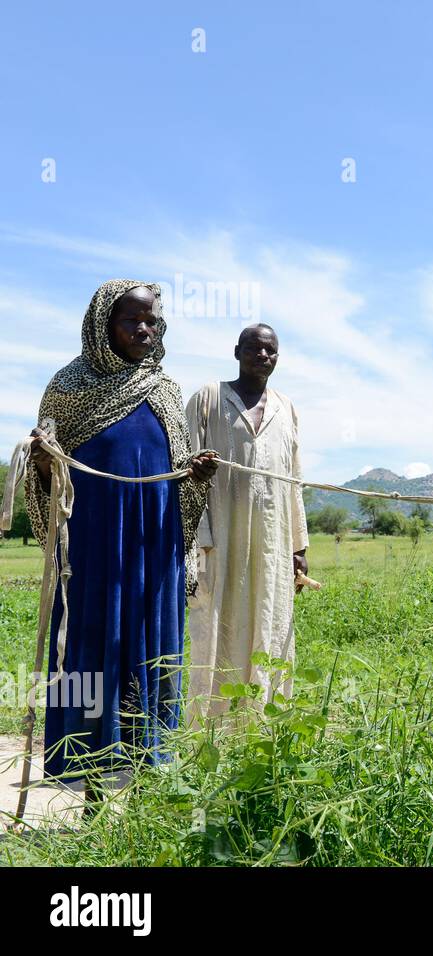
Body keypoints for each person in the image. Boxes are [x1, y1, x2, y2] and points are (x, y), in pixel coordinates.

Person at [25, 280, 216, 798]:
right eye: (131, 320)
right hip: (92, 552)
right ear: (102, 324)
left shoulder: (165, 390)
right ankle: (92, 785)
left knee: (151, 651)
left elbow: (178, 478)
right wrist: (44, 465)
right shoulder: (69, 385)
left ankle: (149, 775)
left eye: (151, 320)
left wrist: (194, 476)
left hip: (154, 554)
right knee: (94, 651)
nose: (143, 330)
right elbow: (44, 484)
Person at [186, 324, 309, 720]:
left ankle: (263, 722)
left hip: (273, 544)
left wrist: (298, 548)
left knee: (269, 620)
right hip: (217, 539)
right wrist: (199, 539)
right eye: (255, 349)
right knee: (215, 623)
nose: (263, 357)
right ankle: (208, 729)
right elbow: (183, 467)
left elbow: (294, 481)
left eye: (271, 351)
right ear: (237, 351)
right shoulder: (208, 399)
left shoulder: (285, 407)